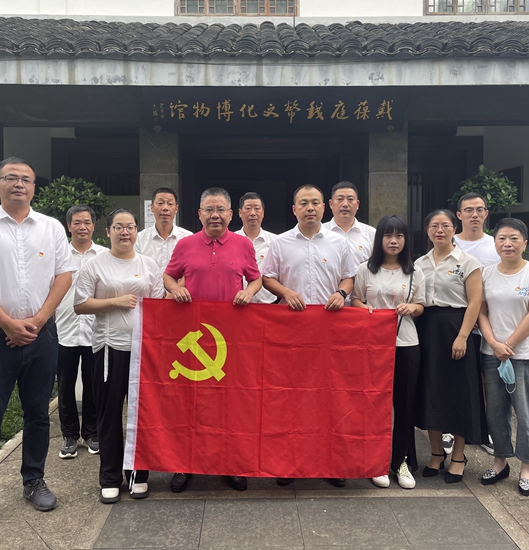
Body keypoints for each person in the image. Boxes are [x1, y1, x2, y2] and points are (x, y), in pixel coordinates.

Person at [0, 157, 75, 530]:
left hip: (41, 336)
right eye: (12, 178)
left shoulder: (51, 228)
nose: (20, 184)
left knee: (38, 414)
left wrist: (37, 321)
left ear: (34, 187)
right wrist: (7, 322)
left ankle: (34, 481)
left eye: (27, 179)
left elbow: (63, 276)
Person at [163, 187, 262, 492]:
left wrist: (249, 292)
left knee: (230, 403)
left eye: (220, 210)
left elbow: (255, 277)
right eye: (209, 209)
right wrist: (175, 289)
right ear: (199, 214)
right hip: (193, 337)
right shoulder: (185, 245)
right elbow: (169, 276)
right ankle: (185, 464)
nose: (215, 215)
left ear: (231, 215)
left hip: (232, 338)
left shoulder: (243, 245)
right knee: (190, 403)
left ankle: (230, 463)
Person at [262, 184, 357, 487]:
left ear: (324, 207)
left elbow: (349, 276)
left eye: (315, 202)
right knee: (291, 399)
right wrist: (286, 292)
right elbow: (267, 277)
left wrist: (341, 293)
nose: (310, 208)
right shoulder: (280, 242)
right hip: (292, 333)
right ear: (294, 209)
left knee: (330, 398)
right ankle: (288, 464)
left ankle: (332, 464)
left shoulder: (338, 242)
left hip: (330, 331)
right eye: (303, 203)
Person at [73, 208, 165, 504]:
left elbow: (159, 305)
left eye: (130, 227)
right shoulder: (96, 265)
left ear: (137, 231)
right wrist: (116, 301)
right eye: (119, 227)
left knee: (142, 414)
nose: (125, 232)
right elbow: (80, 305)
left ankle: (138, 474)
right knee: (109, 414)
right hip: (109, 349)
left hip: (143, 351)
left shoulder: (149, 264)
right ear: (108, 231)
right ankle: (110, 477)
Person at [352, 215, 425, 490]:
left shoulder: (415, 272)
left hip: (406, 345)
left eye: (399, 236)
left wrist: (412, 308)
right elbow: (356, 299)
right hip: (372, 347)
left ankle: (401, 461)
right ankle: (376, 462)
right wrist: (364, 309)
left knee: (404, 405)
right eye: (388, 235)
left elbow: (421, 305)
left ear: (406, 240)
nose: (393, 241)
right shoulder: (365, 270)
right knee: (373, 405)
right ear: (379, 238)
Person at [478, 218, 529, 497]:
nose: (507, 244)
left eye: (514, 238)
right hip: (492, 354)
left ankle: (527, 468)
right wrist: (494, 344)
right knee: (496, 411)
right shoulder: (486, 274)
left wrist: (508, 345)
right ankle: (500, 462)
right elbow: (481, 312)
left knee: (526, 412)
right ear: (495, 243)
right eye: (502, 238)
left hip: (526, 355)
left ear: (525, 243)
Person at [414, 209, 485, 484]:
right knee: (431, 390)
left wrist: (463, 336)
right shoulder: (419, 263)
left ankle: (458, 456)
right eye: (434, 225)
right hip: (426, 329)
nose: (439, 230)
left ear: (454, 229)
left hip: (456, 328)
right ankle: (436, 453)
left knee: (458, 392)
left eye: (445, 225)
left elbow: (475, 301)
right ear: (427, 230)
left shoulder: (467, 262)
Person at [449, 191, 502, 456]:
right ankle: (450, 427)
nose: (474, 215)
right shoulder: (449, 242)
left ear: (486, 213)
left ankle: (486, 430)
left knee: (485, 379)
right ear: (459, 215)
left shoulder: (496, 245)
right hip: (455, 324)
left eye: (479, 210)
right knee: (454, 376)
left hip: (488, 324)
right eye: (468, 210)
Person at [55, 206, 106, 460]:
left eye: (87, 222)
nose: (82, 227)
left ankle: (92, 433)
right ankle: (69, 435)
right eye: (77, 222)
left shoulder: (105, 255)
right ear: (69, 226)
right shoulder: (59, 254)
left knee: (93, 384)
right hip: (64, 328)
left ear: (94, 226)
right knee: (65, 385)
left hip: (95, 329)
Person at [134, 187, 193, 273]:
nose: (165, 208)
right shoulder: (139, 239)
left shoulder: (189, 238)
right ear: (152, 207)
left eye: (170, 204)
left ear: (176, 209)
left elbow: (192, 270)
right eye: (160, 203)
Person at [235, 192, 277, 304]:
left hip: (268, 304)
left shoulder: (275, 241)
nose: (253, 213)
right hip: (237, 303)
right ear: (240, 213)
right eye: (248, 208)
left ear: (263, 212)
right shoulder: (231, 241)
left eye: (257, 208)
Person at [322, 181, 376, 265]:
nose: (345, 204)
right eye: (340, 199)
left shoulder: (371, 234)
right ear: (331, 204)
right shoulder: (320, 232)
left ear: (357, 204)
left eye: (350, 199)